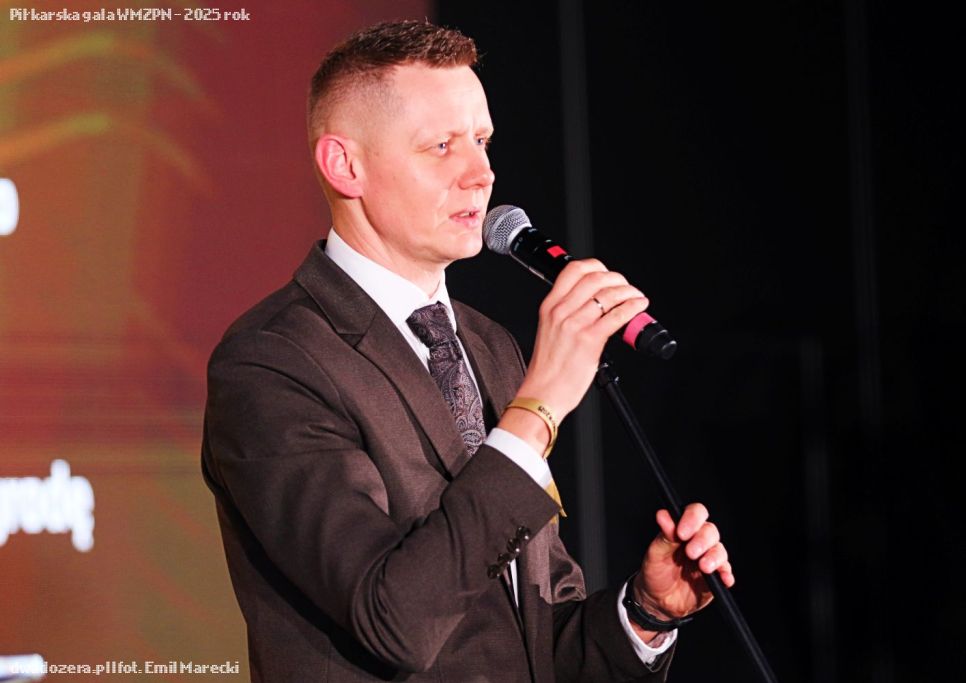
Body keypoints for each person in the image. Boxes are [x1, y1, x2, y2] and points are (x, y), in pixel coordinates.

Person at [201, 19, 734, 682]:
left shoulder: (486, 345)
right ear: (345, 165)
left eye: (482, 141)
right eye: (441, 146)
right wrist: (538, 407)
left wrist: (645, 613)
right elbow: (394, 620)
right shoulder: (272, 361)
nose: (481, 175)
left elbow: (534, 640)